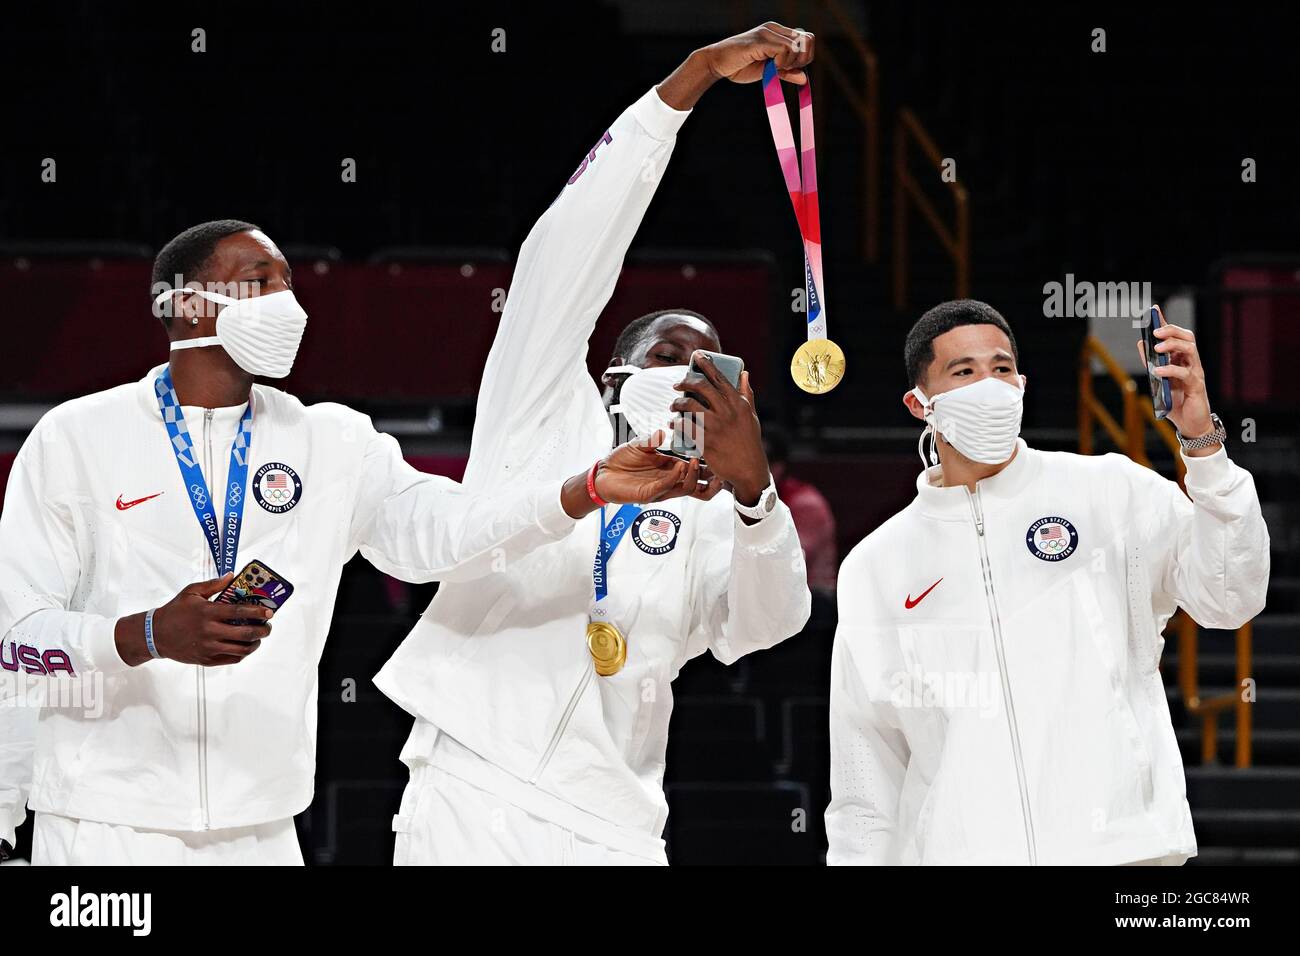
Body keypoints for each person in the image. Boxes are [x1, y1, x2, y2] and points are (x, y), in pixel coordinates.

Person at [0, 220, 702, 865]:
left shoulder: (333, 441)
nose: (286, 302)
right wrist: (150, 633)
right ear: (186, 306)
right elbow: (16, 642)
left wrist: (587, 487)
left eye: (288, 283)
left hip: (265, 827)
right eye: (258, 282)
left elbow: (451, 537)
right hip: (104, 823)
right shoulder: (77, 438)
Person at [374, 22, 815, 866]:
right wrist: (682, 88)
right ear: (614, 374)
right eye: (667, 355)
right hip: (473, 785)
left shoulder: (724, 509)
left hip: (615, 818)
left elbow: (764, 626)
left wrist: (759, 500)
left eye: (709, 360)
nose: (689, 370)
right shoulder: (541, 412)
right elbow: (562, 253)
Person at [826, 299, 1269, 866]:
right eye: (964, 372)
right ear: (921, 404)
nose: (989, 385)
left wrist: (1203, 445)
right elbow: (866, 771)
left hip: (1123, 854)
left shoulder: (1110, 491)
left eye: (1002, 368)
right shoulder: (877, 564)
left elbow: (1230, 596)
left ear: (1022, 383)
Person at [764, 424, 837, 592]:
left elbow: (789, 564)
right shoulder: (733, 496)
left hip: (813, 598)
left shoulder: (806, 503)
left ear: (777, 466)